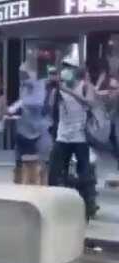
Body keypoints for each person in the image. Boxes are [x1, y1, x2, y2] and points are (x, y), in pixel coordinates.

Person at [48, 59, 96, 218]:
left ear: (76, 71)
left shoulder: (85, 86)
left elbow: (90, 103)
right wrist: (52, 89)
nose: (66, 70)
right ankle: (57, 204)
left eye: (69, 68)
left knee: (84, 174)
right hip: (63, 136)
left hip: (80, 137)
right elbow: (48, 108)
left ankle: (88, 206)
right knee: (55, 172)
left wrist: (67, 90)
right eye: (64, 67)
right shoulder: (58, 88)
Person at [9, 65, 52, 185]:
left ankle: (38, 191)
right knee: (22, 166)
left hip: (38, 131)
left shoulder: (40, 88)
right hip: (24, 131)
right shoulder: (25, 89)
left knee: (39, 167)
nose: (23, 77)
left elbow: (34, 102)